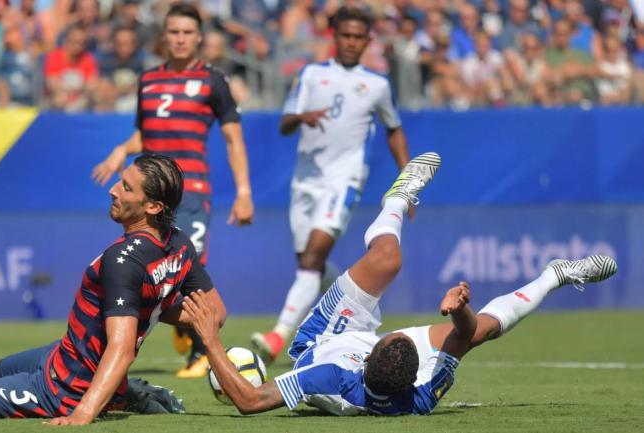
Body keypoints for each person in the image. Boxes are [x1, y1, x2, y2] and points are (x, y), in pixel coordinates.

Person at [185, 151, 619, 416]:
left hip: (325, 338)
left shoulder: (329, 374)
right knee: (481, 332)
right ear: (417, 373)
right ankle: (555, 275)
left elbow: (249, 401)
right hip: (372, 360)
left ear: (373, 352)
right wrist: (460, 311)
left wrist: (209, 341)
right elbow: (463, 337)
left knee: (387, 258)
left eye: (390, 337)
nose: (394, 331)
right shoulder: (422, 395)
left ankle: (396, 198)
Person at [0, 154, 227, 424]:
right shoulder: (179, 243)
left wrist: (83, 412)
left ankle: (113, 397)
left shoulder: (123, 260)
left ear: (154, 207)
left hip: (64, 388)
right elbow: (216, 313)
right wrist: (157, 307)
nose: (113, 190)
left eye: (127, 188)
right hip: (62, 354)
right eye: (120, 180)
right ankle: (123, 392)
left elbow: (122, 348)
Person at [92, 2, 254, 378]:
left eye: (187, 33)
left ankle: (200, 351)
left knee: (191, 266)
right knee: (148, 268)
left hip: (192, 190)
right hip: (151, 195)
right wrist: (122, 148)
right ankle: (160, 335)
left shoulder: (213, 81)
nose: (180, 39)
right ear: (164, 37)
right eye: (174, 32)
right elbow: (145, 133)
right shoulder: (148, 81)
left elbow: (233, 139)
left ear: (199, 38)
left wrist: (244, 192)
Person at [251, 6, 409, 363]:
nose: (352, 42)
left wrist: (406, 182)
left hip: (345, 180)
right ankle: (347, 316)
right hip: (305, 182)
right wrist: (301, 117)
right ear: (334, 37)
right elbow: (285, 124)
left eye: (358, 37)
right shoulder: (310, 75)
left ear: (368, 40)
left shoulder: (378, 85)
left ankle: (278, 337)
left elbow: (394, 130)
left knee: (311, 259)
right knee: (312, 265)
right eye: (345, 35)